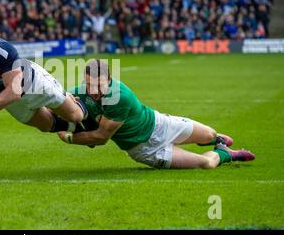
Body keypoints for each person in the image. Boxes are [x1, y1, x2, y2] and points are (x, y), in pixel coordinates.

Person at [56, 59, 255, 169]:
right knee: (206, 163)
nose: (92, 90)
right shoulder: (81, 91)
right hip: (145, 149)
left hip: (159, 123)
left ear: (108, 79)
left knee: (210, 134)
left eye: (97, 85)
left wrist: (69, 138)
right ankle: (226, 154)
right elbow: (59, 100)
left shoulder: (119, 96)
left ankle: (214, 139)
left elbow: (100, 138)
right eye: (89, 84)